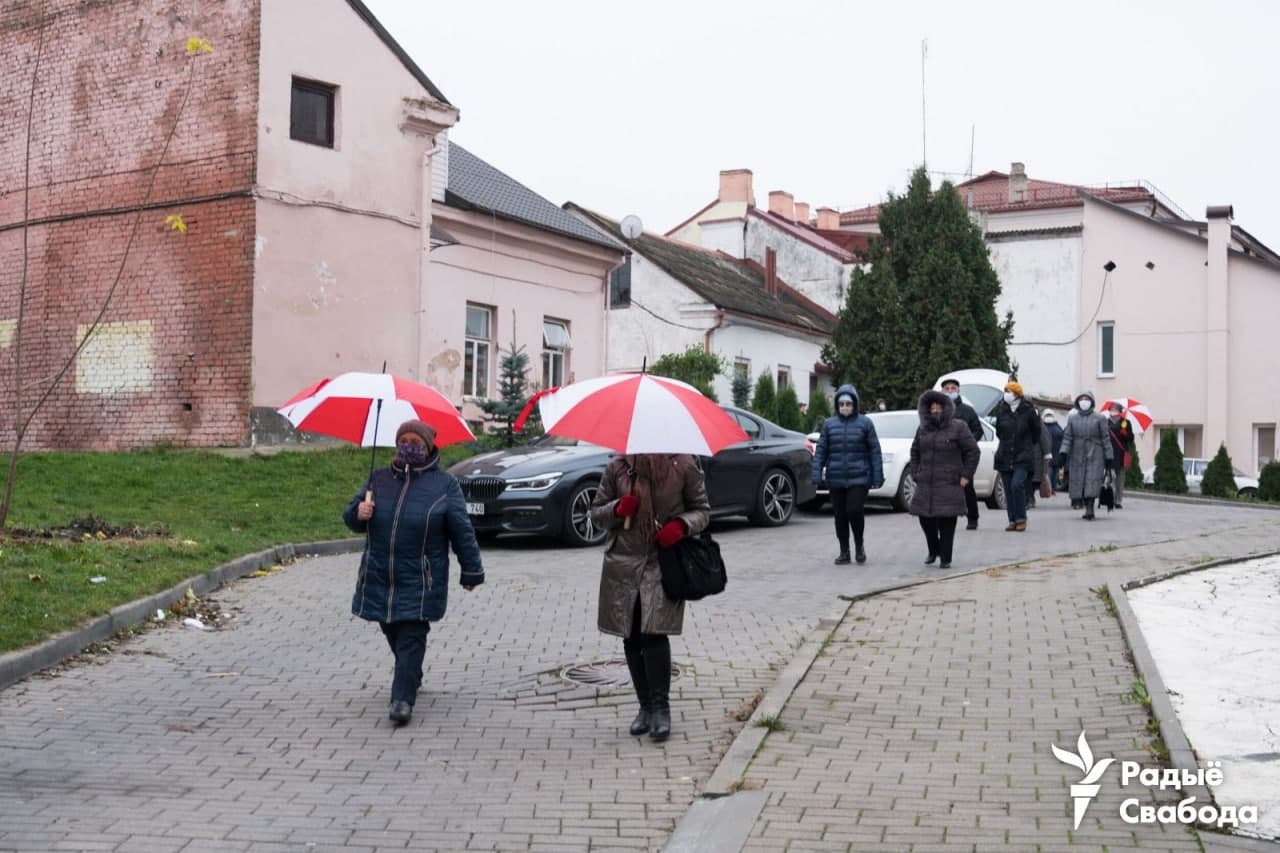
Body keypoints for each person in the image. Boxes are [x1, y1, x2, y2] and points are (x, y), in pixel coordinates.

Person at [343, 419, 484, 725]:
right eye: (404, 441)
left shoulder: (444, 485)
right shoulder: (378, 479)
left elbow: (462, 530)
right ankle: (411, 672)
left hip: (422, 576)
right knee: (390, 625)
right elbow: (352, 518)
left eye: (416, 443)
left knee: (410, 635)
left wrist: (471, 570)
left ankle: (402, 699)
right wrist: (359, 512)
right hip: (381, 572)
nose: (409, 447)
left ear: (429, 447)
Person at [591, 453, 710, 742]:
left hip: (662, 561)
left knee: (653, 633)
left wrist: (680, 526)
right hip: (623, 562)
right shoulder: (618, 467)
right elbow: (596, 514)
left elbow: (702, 511)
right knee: (630, 635)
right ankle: (644, 707)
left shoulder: (683, 465)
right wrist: (618, 509)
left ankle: (661, 709)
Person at [812, 384, 884, 564]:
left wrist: (877, 476)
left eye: (848, 403)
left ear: (855, 404)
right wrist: (816, 473)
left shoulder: (865, 423)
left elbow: (874, 450)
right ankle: (844, 551)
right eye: (841, 403)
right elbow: (821, 451)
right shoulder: (829, 425)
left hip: (859, 477)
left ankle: (859, 546)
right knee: (840, 515)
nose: (845, 407)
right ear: (837, 404)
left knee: (854, 510)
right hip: (836, 478)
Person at [909, 390, 979, 569]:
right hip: (926, 484)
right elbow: (915, 451)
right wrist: (916, 472)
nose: (935, 410)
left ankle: (946, 557)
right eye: (931, 407)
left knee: (947, 521)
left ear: (946, 408)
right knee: (925, 519)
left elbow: (973, 451)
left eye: (938, 407)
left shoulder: (959, 427)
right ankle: (934, 550)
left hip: (950, 482)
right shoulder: (922, 429)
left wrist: (966, 475)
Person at [992, 380, 1040, 531]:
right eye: (1005, 391)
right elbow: (999, 431)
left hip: (1022, 456)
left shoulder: (1028, 410)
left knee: (1017, 485)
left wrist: (1025, 445)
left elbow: (1036, 432)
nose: (1007, 394)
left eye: (1010, 391)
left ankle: (1021, 518)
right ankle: (1012, 520)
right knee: (1008, 489)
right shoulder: (1002, 411)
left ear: (1017, 394)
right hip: (1005, 455)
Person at [1058, 391, 1113, 520]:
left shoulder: (1100, 418)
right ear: (1078, 402)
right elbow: (1067, 437)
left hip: (1095, 453)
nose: (1084, 401)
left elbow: (1105, 438)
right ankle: (1081, 502)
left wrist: (1109, 456)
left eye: (1086, 399)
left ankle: (1090, 507)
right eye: (1082, 399)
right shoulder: (1072, 418)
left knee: (1092, 480)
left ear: (1092, 401)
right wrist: (1063, 452)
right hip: (1077, 453)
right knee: (1080, 480)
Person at [940, 377, 983, 530]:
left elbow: (978, 430)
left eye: (953, 388)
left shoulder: (967, 411)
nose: (950, 391)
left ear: (958, 391)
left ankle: (973, 518)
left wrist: (967, 443)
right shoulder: (938, 410)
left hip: (963, 456)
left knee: (966, 487)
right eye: (947, 389)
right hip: (944, 455)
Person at [1106, 402, 1136, 508]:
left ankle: (1118, 501)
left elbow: (1131, 439)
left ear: (1120, 411)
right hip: (1109, 454)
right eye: (1111, 409)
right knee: (1111, 477)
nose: (1113, 411)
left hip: (1122, 453)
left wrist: (1126, 434)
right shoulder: (1106, 422)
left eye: (1115, 409)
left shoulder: (1126, 422)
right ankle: (1110, 499)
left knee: (1120, 480)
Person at [1043, 412, 1065, 491]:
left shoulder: (1043, 427)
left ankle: (1050, 488)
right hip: (1053, 454)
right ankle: (1052, 488)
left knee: (1051, 472)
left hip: (1051, 454)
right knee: (1053, 472)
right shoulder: (1058, 428)